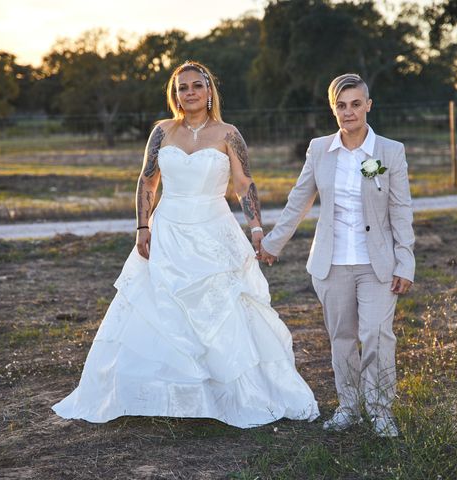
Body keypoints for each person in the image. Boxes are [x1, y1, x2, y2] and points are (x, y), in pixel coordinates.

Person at [52, 61, 319, 428]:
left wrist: (256, 229)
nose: (189, 92)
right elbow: (147, 183)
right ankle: (161, 396)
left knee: (220, 311)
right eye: (182, 88)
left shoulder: (229, 134)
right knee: (160, 309)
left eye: (196, 86)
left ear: (209, 92)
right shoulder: (162, 132)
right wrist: (142, 227)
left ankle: (228, 395)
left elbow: (244, 185)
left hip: (213, 232)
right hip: (168, 231)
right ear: (174, 94)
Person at [259, 73, 415, 436]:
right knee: (341, 337)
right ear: (334, 109)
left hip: (378, 264)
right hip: (330, 264)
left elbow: (401, 210)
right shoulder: (319, 150)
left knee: (377, 333)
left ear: (368, 106)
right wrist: (272, 243)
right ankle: (348, 406)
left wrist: (405, 260)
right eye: (341, 106)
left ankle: (380, 410)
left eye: (355, 104)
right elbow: (298, 200)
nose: (349, 112)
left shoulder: (390, 152)